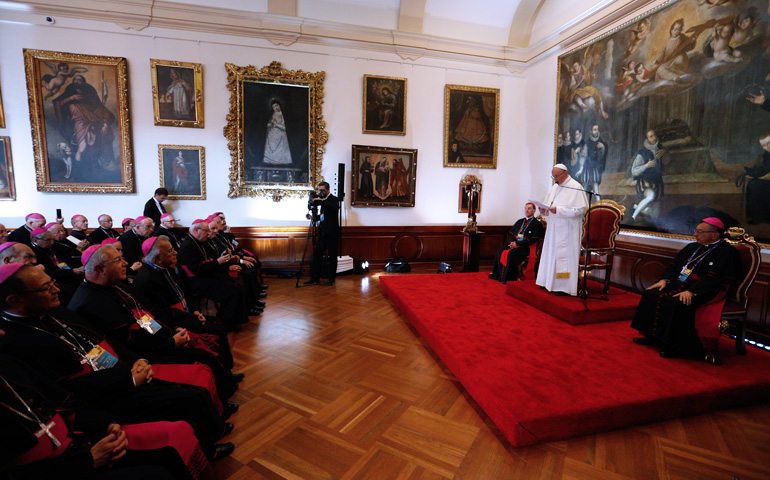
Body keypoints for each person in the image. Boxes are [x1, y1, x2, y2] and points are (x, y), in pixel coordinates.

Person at [0, 264, 232, 465]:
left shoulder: (55, 311)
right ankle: (207, 447)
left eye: (52, 282)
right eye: (46, 287)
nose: (57, 288)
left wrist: (136, 361)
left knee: (192, 393)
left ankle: (209, 436)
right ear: (15, 300)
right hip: (105, 397)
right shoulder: (12, 341)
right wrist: (130, 378)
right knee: (189, 399)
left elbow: (105, 339)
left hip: (122, 374)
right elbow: (65, 390)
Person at [631, 218, 740, 365]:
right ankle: (652, 336)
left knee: (676, 302)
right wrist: (664, 280)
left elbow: (715, 278)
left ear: (714, 234)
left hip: (706, 290)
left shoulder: (727, 252)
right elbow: (674, 267)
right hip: (680, 284)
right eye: (696, 231)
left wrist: (692, 292)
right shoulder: (692, 248)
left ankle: (674, 346)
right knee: (651, 294)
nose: (695, 234)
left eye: (700, 232)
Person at [177, 219, 251, 328]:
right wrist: (218, 262)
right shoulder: (188, 245)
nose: (209, 233)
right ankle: (227, 323)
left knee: (238, 285)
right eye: (206, 230)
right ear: (196, 229)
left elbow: (209, 260)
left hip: (207, 276)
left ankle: (234, 320)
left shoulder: (200, 241)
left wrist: (223, 260)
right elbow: (196, 269)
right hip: (196, 282)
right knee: (233, 290)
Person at [535, 164, 588, 296]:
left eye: (556, 176)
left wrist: (559, 210)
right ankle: (547, 282)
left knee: (564, 257)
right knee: (550, 255)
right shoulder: (555, 187)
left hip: (568, 230)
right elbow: (549, 206)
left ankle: (564, 287)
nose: (555, 179)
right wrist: (544, 210)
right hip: (553, 228)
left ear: (565, 173)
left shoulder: (576, 187)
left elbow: (580, 210)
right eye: (553, 177)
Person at [52, 74, 118, 180]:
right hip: (79, 125)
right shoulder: (71, 100)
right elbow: (58, 104)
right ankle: (79, 170)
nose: (77, 81)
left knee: (93, 146)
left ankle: (93, 169)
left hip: (93, 125)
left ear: (84, 82)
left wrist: (105, 123)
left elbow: (102, 111)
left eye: (80, 80)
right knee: (82, 147)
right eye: (75, 79)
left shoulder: (90, 101)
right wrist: (71, 98)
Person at [489, 202, 545, 284]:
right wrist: (512, 242)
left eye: (529, 208)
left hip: (526, 248)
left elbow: (533, 240)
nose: (526, 210)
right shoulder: (520, 221)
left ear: (534, 210)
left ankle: (509, 278)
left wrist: (517, 244)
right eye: (525, 208)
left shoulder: (537, 224)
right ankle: (498, 275)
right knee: (500, 251)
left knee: (511, 254)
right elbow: (512, 234)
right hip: (515, 244)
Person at [304, 182, 340, 286]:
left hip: (332, 233)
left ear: (328, 190)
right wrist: (313, 217)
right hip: (323, 232)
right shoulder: (322, 201)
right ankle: (315, 278)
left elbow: (334, 208)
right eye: (319, 190)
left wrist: (322, 201)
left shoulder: (334, 199)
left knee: (332, 256)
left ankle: (331, 278)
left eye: (322, 190)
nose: (321, 192)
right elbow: (324, 216)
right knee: (317, 255)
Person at [631, 129, 667, 222]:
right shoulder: (642, 152)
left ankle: (638, 207)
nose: (654, 138)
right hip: (646, 182)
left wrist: (665, 153)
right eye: (651, 136)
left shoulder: (661, 149)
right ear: (647, 139)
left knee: (655, 215)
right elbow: (634, 171)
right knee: (650, 196)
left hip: (658, 183)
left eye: (654, 135)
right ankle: (633, 217)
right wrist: (646, 165)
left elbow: (667, 163)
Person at [743, 131, 770, 225]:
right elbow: (764, 169)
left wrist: (761, 177)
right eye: (764, 145)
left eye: (769, 143)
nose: (767, 147)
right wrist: (753, 174)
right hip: (766, 180)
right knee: (753, 185)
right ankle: (757, 216)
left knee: (757, 185)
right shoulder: (766, 155)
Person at [581, 124, 608, 197]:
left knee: (596, 189)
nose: (596, 131)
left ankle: (598, 206)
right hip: (587, 168)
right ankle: (584, 207)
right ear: (591, 131)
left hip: (595, 169)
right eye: (594, 129)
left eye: (597, 129)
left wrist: (603, 147)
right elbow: (583, 156)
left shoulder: (601, 141)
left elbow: (602, 156)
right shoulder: (587, 143)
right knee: (585, 190)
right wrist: (581, 169)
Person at [263, 100, 292, 165]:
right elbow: (267, 126)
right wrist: (271, 123)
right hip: (271, 137)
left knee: (281, 157)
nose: (275, 107)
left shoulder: (282, 115)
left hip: (281, 137)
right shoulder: (272, 115)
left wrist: (276, 124)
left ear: (279, 105)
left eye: (276, 105)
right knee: (269, 157)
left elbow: (285, 128)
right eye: (273, 106)